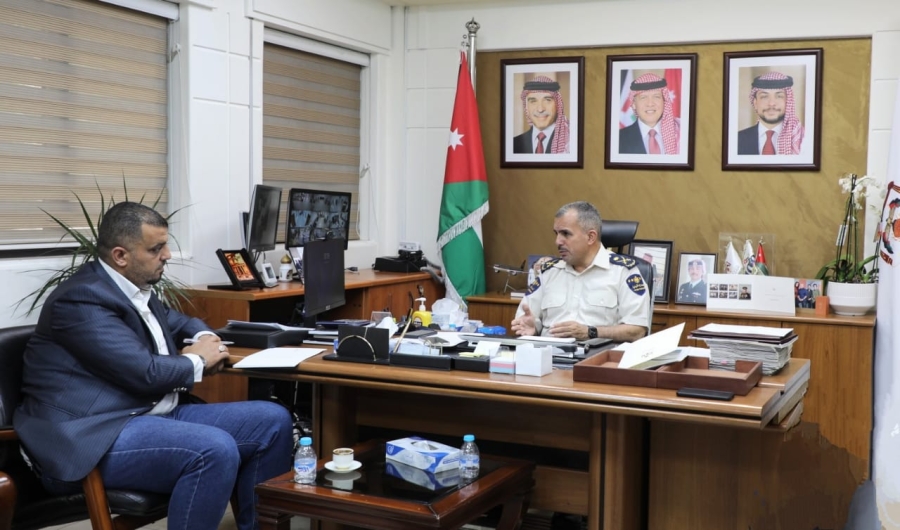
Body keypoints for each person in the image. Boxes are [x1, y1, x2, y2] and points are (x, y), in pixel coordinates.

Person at [14, 202, 293, 530]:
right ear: (121, 255)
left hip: (150, 414)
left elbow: (180, 322)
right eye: (156, 248)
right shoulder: (80, 299)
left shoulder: (132, 288)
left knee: (272, 421)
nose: (168, 255)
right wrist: (199, 360)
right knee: (213, 449)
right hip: (93, 434)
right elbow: (144, 373)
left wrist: (205, 337)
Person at [510, 201, 649, 342]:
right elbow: (526, 318)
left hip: (598, 354)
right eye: (556, 234)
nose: (558, 241)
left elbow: (637, 331)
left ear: (590, 237)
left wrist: (590, 332)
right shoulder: (549, 272)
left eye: (566, 234)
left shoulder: (623, 272)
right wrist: (531, 328)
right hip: (548, 352)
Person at [737, 71, 804, 155]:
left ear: (788, 102)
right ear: (755, 103)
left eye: (779, 96)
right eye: (764, 96)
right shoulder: (736, 140)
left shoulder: (802, 139)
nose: (771, 103)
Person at [619, 73, 680, 155]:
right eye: (643, 97)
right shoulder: (619, 139)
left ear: (664, 101)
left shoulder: (680, 134)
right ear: (633, 104)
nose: (650, 104)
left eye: (656, 97)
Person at [513, 76, 570, 154]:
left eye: (547, 100)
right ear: (526, 107)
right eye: (533, 101)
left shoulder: (570, 142)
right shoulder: (514, 144)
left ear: (558, 105)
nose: (540, 109)